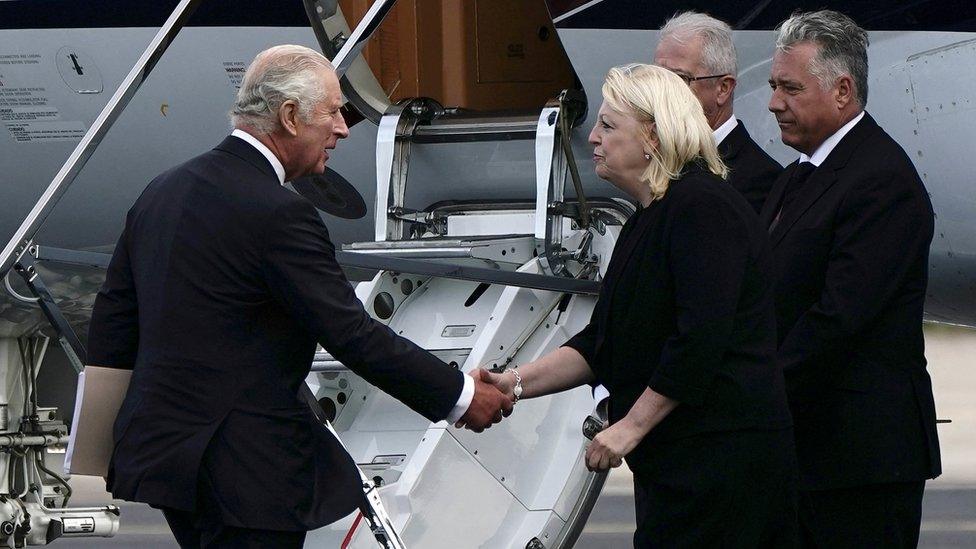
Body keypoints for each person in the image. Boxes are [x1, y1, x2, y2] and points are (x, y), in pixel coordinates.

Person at [86, 45, 513, 548]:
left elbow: (113, 324)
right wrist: (460, 396)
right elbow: (352, 335)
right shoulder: (279, 213)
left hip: (171, 466)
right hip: (248, 474)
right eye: (332, 111)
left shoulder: (162, 191)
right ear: (289, 116)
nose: (343, 128)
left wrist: (103, 442)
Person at [477, 63, 797, 548]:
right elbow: (602, 341)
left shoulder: (703, 208)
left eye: (608, 126)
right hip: (680, 467)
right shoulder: (646, 219)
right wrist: (514, 383)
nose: (593, 139)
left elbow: (700, 339)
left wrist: (630, 427)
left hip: (724, 466)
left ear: (652, 135)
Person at [762, 11, 941, 548]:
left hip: (860, 464)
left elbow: (836, 321)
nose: (773, 102)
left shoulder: (880, 181)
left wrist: (748, 393)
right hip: (812, 454)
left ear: (842, 91)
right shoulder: (801, 173)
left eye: (790, 88)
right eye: (773, 86)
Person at [653, 10, 782, 213]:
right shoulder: (657, 161)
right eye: (658, 79)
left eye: (679, 79)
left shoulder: (760, 179)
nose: (662, 93)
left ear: (723, 88)